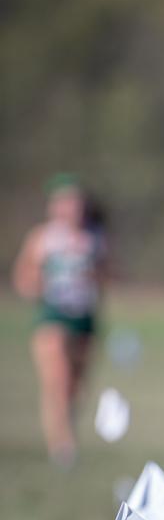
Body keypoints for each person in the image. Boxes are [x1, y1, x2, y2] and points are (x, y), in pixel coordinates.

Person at [12, 174, 108, 465]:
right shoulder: (43, 238)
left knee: (76, 387)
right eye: (66, 203)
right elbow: (23, 278)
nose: (72, 209)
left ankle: (66, 438)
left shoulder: (95, 238)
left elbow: (108, 275)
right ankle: (62, 449)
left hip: (84, 318)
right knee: (57, 379)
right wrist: (39, 286)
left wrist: (92, 277)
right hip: (52, 316)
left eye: (77, 203)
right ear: (54, 206)